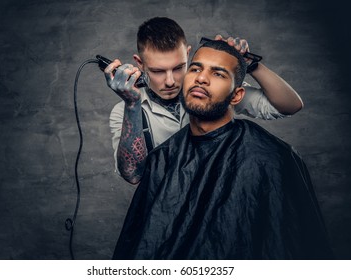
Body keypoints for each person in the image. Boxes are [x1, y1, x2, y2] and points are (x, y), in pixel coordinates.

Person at [111, 39, 333, 260]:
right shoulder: (163, 157)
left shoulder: (268, 158)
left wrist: (251, 64)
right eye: (195, 68)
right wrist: (133, 103)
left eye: (217, 74)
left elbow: (286, 246)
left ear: (236, 96)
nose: (201, 78)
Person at [105, 17, 303, 184]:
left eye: (178, 68)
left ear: (188, 54)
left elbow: (290, 106)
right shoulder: (124, 111)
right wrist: (132, 105)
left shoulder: (210, 92)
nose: (170, 81)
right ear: (140, 63)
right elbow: (133, 175)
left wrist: (251, 66)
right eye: (158, 71)